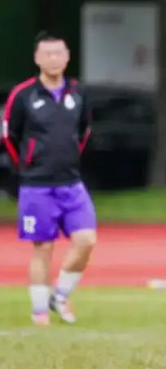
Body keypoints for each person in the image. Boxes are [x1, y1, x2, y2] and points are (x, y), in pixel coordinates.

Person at [2, 31, 97, 326]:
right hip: (37, 185)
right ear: (37, 58)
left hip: (71, 182)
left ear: (67, 57)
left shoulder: (78, 93)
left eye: (59, 53)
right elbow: (9, 137)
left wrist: (69, 159)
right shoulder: (24, 95)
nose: (54, 59)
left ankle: (61, 294)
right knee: (42, 248)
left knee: (86, 240)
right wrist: (28, 166)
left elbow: (84, 132)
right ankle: (40, 310)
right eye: (48, 54)